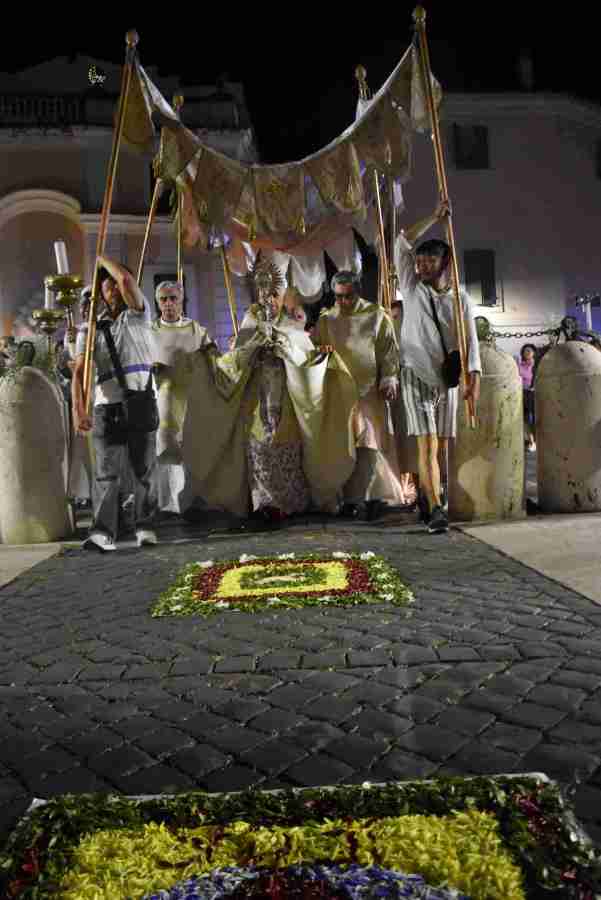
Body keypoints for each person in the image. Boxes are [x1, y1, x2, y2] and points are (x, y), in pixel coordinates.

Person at [181, 282, 357, 522]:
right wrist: (251, 350)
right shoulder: (249, 323)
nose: (270, 299)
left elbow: (303, 358)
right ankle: (263, 504)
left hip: (286, 395)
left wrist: (293, 349)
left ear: (283, 296)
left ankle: (292, 503)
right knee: (259, 446)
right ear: (259, 295)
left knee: (288, 444)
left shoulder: (292, 325)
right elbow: (234, 362)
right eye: (265, 294)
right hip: (256, 397)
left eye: (275, 294)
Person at [394, 201, 481, 534]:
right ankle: (435, 508)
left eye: (429, 260)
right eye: (419, 260)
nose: (421, 265)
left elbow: (470, 341)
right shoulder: (411, 287)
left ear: (445, 262)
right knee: (427, 445)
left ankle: (431, 496)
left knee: (441, 448)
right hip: (414, 373)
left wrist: (473, 380)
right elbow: (401, 240)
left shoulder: (459, 298)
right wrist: (434, 216)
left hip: (447, 381)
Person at [71, 258, 159, 552]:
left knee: (143, 471)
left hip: (140, 400)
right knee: (106, 474)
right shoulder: (90, 330)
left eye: (116, 283)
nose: (115, 289)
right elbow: (80, 371)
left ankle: (144, 527)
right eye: (107, 286)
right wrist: (78, 409)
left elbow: (126, 282)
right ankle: (103, 533)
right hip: (106, 407)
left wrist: (100, 260)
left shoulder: (138, 315)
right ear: (100, 293)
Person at [312, 271, 411, 518]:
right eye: (338, 297)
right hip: (338, 391)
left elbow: (388, 349)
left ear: (357, 291)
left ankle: (377, 495)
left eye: (348, 296)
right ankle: (350, 498)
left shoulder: (376, 316)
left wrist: (389, 377)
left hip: (369, 391)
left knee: (370, 442)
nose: (343, 302)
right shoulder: (326, 320)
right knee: (346, 445)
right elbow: (316, 351)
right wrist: (320, 351)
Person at [151, 280, 217, 518]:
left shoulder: (194, 328)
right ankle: (168, 502)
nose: (168, 304)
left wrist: (209, 352)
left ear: (181, 301)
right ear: (158, 302)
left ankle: (193, 498)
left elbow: (211, 353)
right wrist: (153, 368)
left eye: (173, 299)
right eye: (163, 299)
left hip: (190, 395)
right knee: (167, 447)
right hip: (163, 396)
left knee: (192, 446)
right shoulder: (151, 331)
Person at [518, 343, 537, 452]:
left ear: (534, 353)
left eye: (529, 350)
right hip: (523, 393)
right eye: (525, 350)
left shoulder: (536, 365)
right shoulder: (520, 365)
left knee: (535, 419)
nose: (527, 352)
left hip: (534, 394)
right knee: (525, 419)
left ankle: (535, 440)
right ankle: (531, 441)